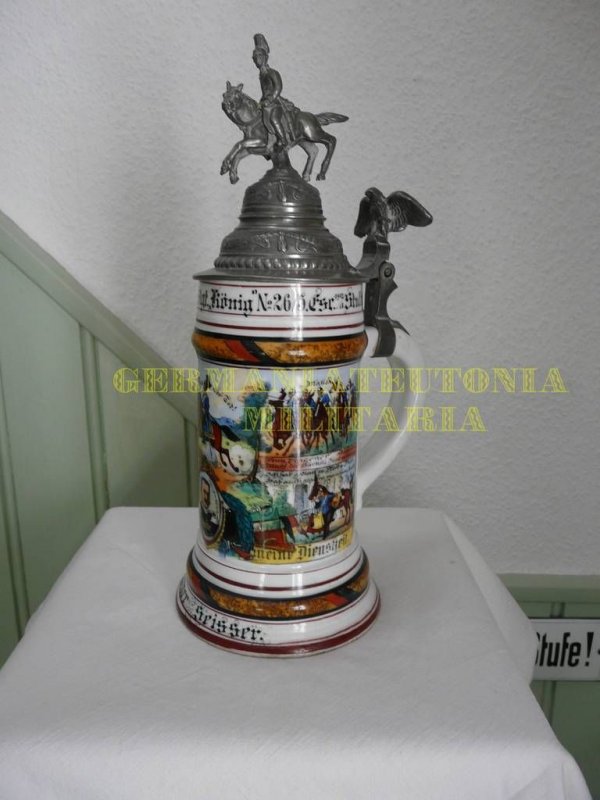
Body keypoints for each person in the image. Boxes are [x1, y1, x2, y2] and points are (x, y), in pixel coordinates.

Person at [252, 33, 295, 149]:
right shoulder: (261, 75)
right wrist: (260, 102)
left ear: (265, 57)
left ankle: (284, 140)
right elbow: (265, 92)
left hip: (275, 102)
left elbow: (278, 88)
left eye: (259, 56)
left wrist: (270, 99)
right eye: (255, 58)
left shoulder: (272, 73)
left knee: (274, 119)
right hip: (265, 103)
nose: (257, 60)